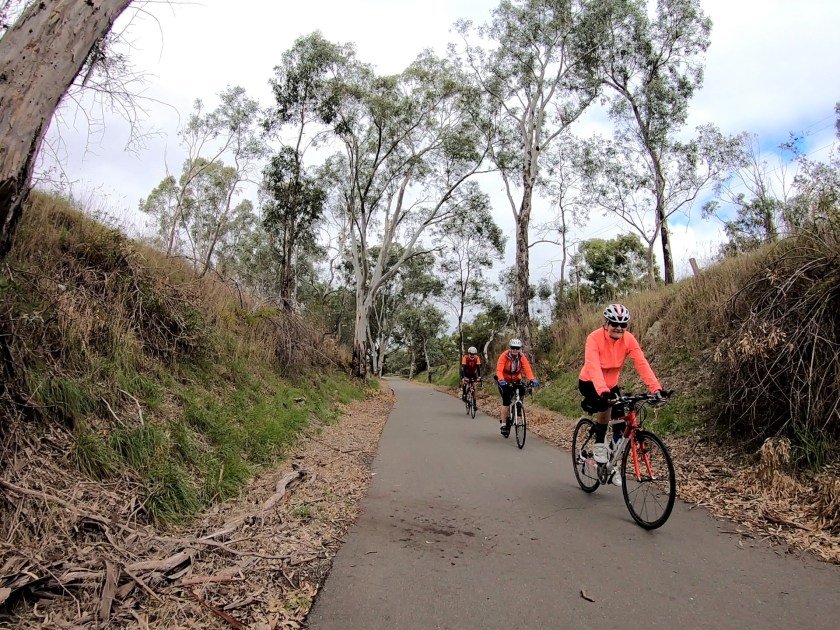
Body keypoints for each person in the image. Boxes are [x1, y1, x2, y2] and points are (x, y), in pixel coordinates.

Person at [578, 304, 665, 482]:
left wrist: (656, 388)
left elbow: (641, 363)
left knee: (621, 421)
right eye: (614, 323)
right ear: (606, 323)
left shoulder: (629, 339)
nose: (619, 328)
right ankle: (599, 443)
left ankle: (613, 464)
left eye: (623, 324)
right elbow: (593, 366)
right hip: (590, 382)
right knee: (605, 406)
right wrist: (603, 391)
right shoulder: (594, 338)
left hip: (611, 385)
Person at [495, 338, 538, 437]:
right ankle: (504, 424)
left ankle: (518, 406)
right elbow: (499, 369)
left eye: (517, 348)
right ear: (510, 348)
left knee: (522, 390)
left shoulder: (521, 357)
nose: (515, 350)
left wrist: (532, 379)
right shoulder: (504, 356)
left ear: (519, 349)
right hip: (504, 381)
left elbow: (527, 369)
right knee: (506, 400)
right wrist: (501, 380)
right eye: (513, 348)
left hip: (516, 379)